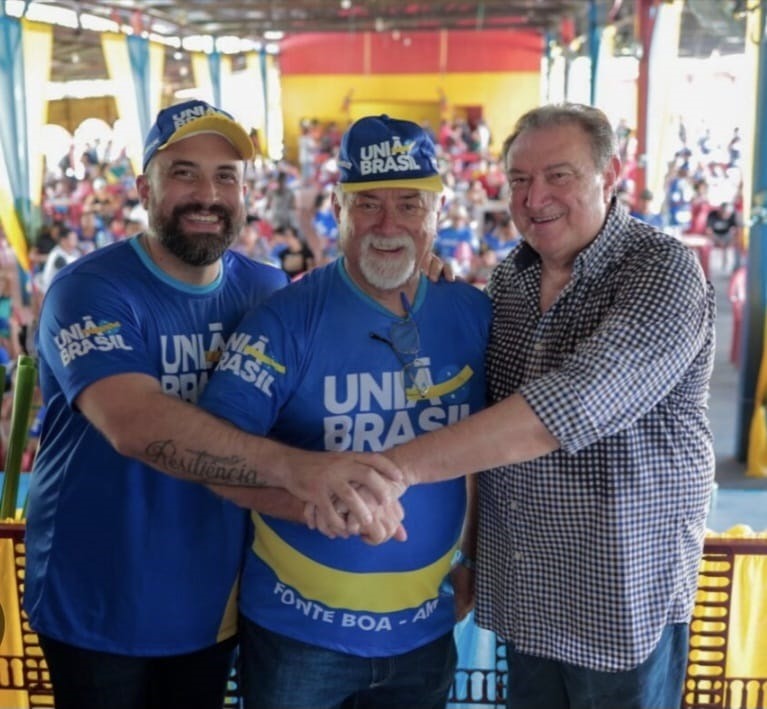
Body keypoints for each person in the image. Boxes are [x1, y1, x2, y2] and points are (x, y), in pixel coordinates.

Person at [311, 103, 716, 709]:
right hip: (530, 597)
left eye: (559, 176)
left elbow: (572, 404)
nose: (535, 197)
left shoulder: (661, 269)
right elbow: (481, 420)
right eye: (520, 179)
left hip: (619, 602)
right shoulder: (510, 282)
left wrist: (389, 471)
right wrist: (429, 291)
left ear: (609, 176)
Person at [199, 114, 492, 709]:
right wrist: (309, 502)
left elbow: (487, 454)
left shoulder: (472, 313)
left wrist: (473, 558)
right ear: (337, 208)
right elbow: (211, 456)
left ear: (438, 211)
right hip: (296, 637)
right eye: (368, 204)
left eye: (409, 204)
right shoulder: (285, 319)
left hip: (425, 632)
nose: (388, 224)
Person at [24, 99, 295, 709]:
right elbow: (135, 424)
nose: (208, 195)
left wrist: (416, 279)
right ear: (144, 188)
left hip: (210, 600)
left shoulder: (267, 288)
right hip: (95, 599)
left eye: (225, 176)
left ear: (245, 192)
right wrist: (299, 473)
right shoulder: (88, 289)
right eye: (184, 173)